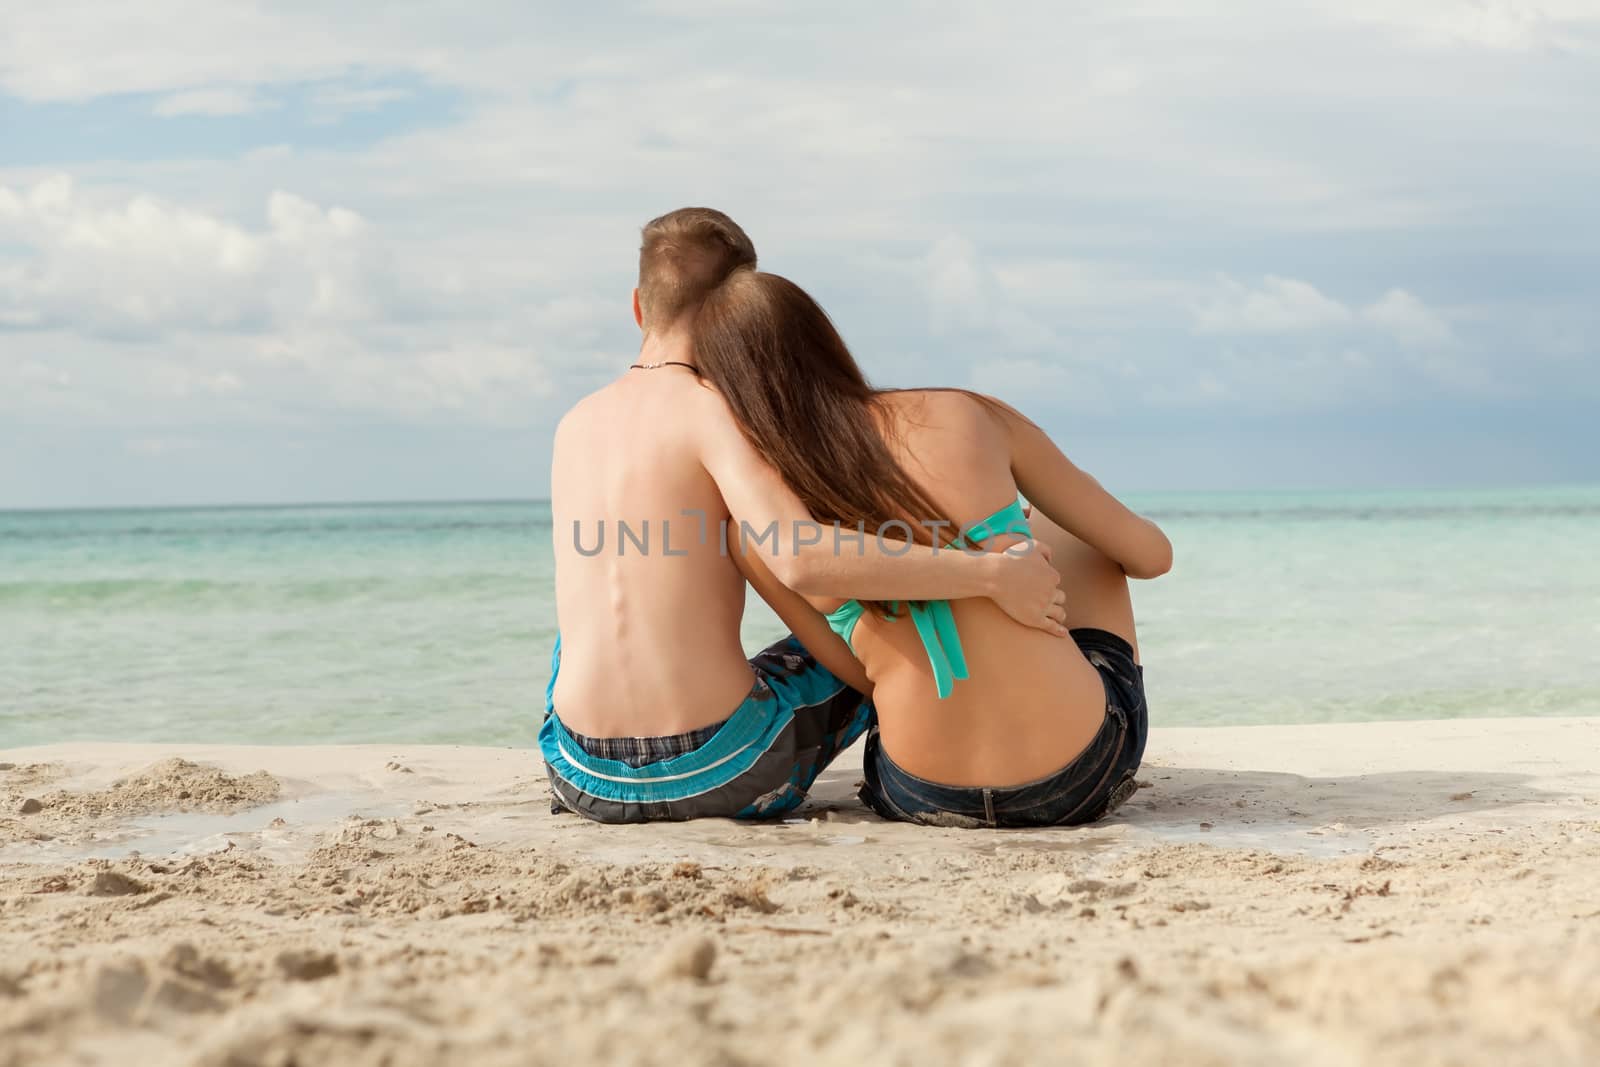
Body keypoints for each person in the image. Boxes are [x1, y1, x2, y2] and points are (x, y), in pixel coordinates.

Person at [542, 208, 1069, 823]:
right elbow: (802, 557)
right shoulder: (715, 412)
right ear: (738, 313)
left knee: (579, 632)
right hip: (720, 771)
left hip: (580, 776)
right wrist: (989, 575)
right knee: (874, 623)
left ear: (638, 307)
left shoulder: (574, 423)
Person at [692, 269, 1174, 828]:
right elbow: (1151, 557)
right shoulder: (965, 414)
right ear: (825, 339)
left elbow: (859, 677)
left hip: (920, 791)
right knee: (1068, 529)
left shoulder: (761, 527)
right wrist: (1022, 540)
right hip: (1076, 775)